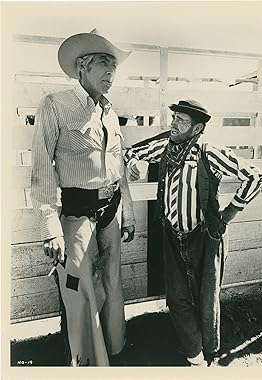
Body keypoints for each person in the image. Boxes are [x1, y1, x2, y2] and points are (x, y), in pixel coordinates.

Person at [125, 99, 262, 367]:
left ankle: (209, 348)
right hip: (172, 235)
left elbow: (256, 176)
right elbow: (133, 152)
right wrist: (133, 163)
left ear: (198, 127)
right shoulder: (166, 146)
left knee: (207, 296)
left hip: (204, 237)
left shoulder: (209, 153)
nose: (174, 124)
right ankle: (195, 355)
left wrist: (229, 213)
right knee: (177, 297)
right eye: (174, 118)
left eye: (182, 120)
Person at [31, 29, 136, 366]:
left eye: (114, 66)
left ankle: (115, 350)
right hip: (76, 213)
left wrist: (129, 213)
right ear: (82, 66)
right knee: (79, 289)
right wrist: (50, 226)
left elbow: (118, 165)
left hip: (112, 209)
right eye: (104, 62)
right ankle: (87, 362)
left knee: (112, 282)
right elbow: (41, 169)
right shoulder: (55, 105)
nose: (111, 72)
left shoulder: (109, 110)